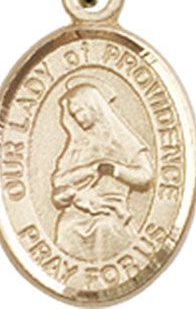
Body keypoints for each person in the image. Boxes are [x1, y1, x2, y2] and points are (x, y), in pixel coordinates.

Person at [51, 78, 153, 262]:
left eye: (81, 111)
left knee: (105, 227)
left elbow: (145, 176)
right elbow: (59, 181)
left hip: (112, 210)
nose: (78, 118)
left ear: (94, 107)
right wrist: (90, 171)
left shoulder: (124, 141)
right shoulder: (78, 145)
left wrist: (115, 169)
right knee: (66, 228)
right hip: (80, 209)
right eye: (74, 114)